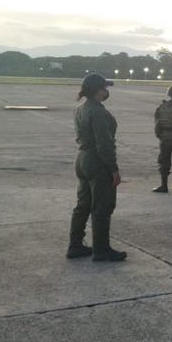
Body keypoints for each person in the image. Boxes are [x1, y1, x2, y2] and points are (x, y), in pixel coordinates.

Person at [68, 72, 126, 262]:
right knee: (102, 206)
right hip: (97, 161)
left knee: (83, 205)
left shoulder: (80, 108)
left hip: (82, 158)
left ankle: (75, 245)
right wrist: (113, 168)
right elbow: (104, 143)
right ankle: (101, 250)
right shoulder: (98, 111)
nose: (106, 91)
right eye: (104, 88)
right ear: (97, 90)